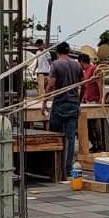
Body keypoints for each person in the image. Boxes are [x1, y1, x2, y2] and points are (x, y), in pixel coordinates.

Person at [47, 42, 84, 178]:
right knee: (70, 138)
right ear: (68, 52)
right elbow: (83, 83)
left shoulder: (55, 64)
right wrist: (79, 99)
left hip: (59, 104)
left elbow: (51, 85)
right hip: (73, 104)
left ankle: (54, 167)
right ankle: (68, 168)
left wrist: (45, 100)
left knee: (55, 136)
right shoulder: (77, 65)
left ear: (57, 52)